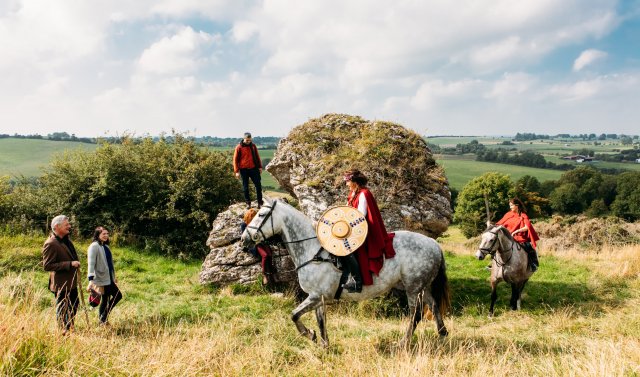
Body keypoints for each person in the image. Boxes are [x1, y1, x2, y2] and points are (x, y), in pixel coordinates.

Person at [342, 169, 396, 293]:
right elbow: (347, 210)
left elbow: (360, 215)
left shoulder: (364, 194)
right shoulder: (352, 193)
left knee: (347, 248)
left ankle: (357, 281)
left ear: (354, 181)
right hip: (352, 226)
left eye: (347, 181)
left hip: (363, 229)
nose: (346, 184)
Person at [42, 215, 80, 335]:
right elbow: (47, 266)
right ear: (57, 227)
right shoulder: (51, 243)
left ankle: (69, 326)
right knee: (63, 308)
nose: (69, 226)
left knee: (74, 304)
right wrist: (69, 264)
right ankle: (63, 331)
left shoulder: (66, 240)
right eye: (66, 225)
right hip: (61, 283)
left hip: (71, 282)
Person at [87, 226, 122, 324]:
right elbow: (91, 263)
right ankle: (104, 317)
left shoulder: (106, 246)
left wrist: (113, 276)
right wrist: (90, 280)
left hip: (108, 278)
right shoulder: (94, 246)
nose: (106, 236)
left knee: (106, 299)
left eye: (107, 234)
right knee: (118, 296)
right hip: (101, 278)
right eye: (103, 234)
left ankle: (102, 320)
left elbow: (110, 263)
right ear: (98, 235)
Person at [495, 197, 540, 271]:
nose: (510, 207)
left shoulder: (523, 215)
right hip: (509, 237)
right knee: (497, 246)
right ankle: (494, 264)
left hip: (520, 238)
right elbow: (500, 224)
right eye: (510, 205)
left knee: (529, 247)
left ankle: (533, 264)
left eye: (511, 205)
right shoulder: (508, 214)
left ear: (517, 205)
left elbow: (527, 227)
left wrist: (516, 231)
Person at [241, 208, 276, 285]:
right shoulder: (244, 225)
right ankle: (264, 275)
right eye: (252, 217)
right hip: (252, 244)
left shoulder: (256, 224)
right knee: (265, 255)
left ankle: (271, 272)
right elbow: (245, 238)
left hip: (261, 241)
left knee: (270, 253)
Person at [233, 132, 263, 209]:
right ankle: (248, 203)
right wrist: (236, 171)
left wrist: (260, 167)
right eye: (247, 140)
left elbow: (257, 156)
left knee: (258, 186)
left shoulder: (253, 146)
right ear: (244, 139)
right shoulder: (238, 147)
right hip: (243, 170)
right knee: (245, 187)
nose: (248, 142)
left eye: (249, 140)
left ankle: (260, 203)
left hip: (254, 169)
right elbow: (235, 160)